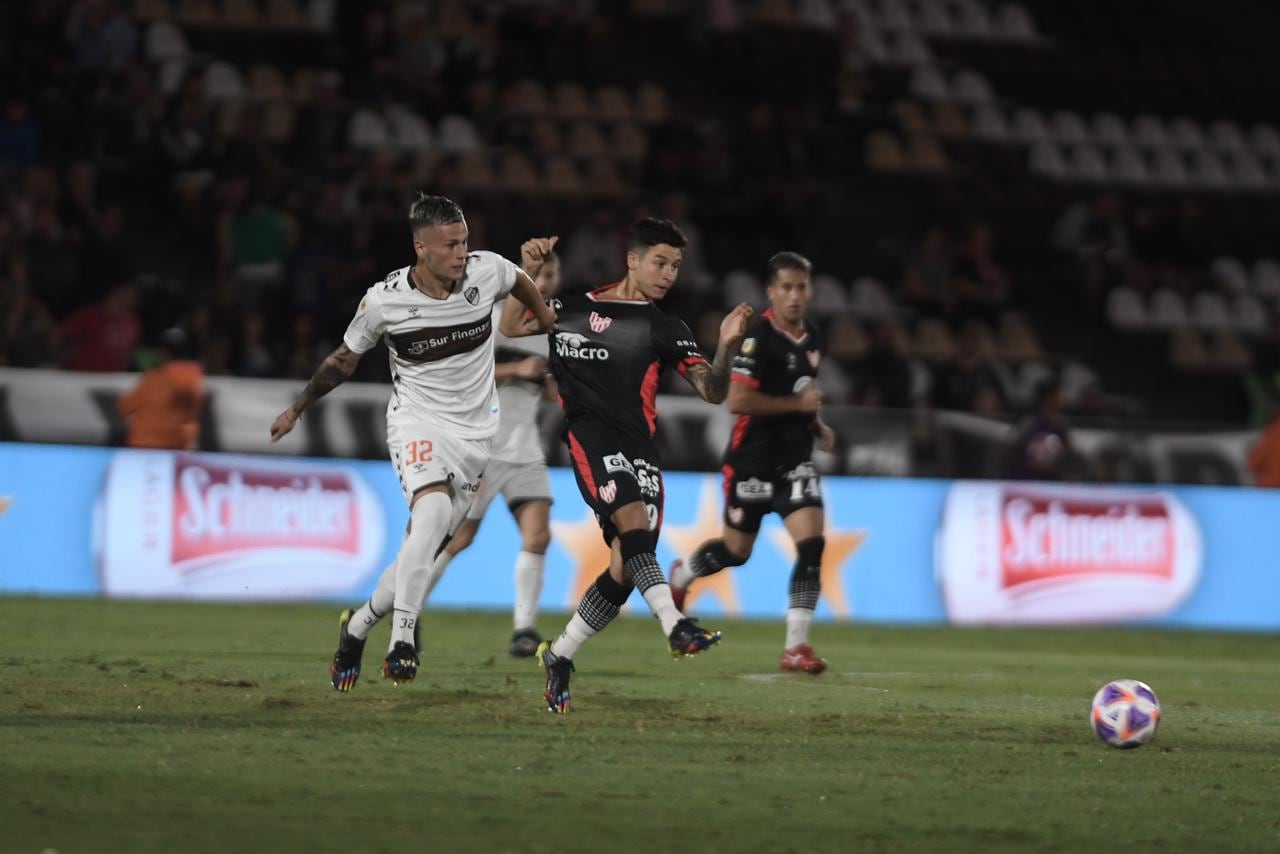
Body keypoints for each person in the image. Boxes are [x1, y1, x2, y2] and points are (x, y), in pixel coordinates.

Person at [269, 193, 557, 692]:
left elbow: (520, 280)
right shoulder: (384, 300)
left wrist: (544, 317)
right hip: (417, 423)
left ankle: (357, 626)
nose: (462, 253)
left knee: (417, 552)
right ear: (420, 248)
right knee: (429, 516)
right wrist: (298, 407)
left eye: (465, 241)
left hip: (475, 437)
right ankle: (403, 641)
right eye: (450, 245)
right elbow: (343, 359)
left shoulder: (485, 272)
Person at [537, 217, 753, 713]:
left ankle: (561, 654)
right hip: (591, 439)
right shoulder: (569, 305)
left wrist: (726, 345)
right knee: (631, 524)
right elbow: (511, 325)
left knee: (626, 568)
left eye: (676, 266)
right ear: (631, 260)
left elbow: (713, 392)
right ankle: (675, 625)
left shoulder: (663, 326)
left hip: (642, 452)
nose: (668, 274)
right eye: (660, 262)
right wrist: (528, 275)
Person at [668, 252, 837, 675]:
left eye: (801, 287)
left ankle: (795, 647)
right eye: (786, 288)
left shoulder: (813, 335)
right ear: (771, 292)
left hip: (795, 461)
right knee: (736, 551)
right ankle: (684, 574)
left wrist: (816, 424)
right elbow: (737, 400)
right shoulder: (757, 337)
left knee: (812, 544)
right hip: (752, 462)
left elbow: (802, 387)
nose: (795, 296)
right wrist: (797, 404)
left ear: (810, 290)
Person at [425, 250, 563, 657]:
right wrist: (516, 371)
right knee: (458, 539)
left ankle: (524, 630)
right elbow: (459, 372)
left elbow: (552, 390)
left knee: (539, 536)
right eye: (540, 272)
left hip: (526, 450)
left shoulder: (550, 328)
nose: (548, 281)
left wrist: (553, 386)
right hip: (481, 448)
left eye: (553, 274)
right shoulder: (492, 317)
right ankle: (408, 611)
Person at [117, 327, 205, 450]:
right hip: (182, 446)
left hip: (148, 445)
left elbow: (125, 406)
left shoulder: (156, 377)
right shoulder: (196, 377)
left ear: (164, 352)